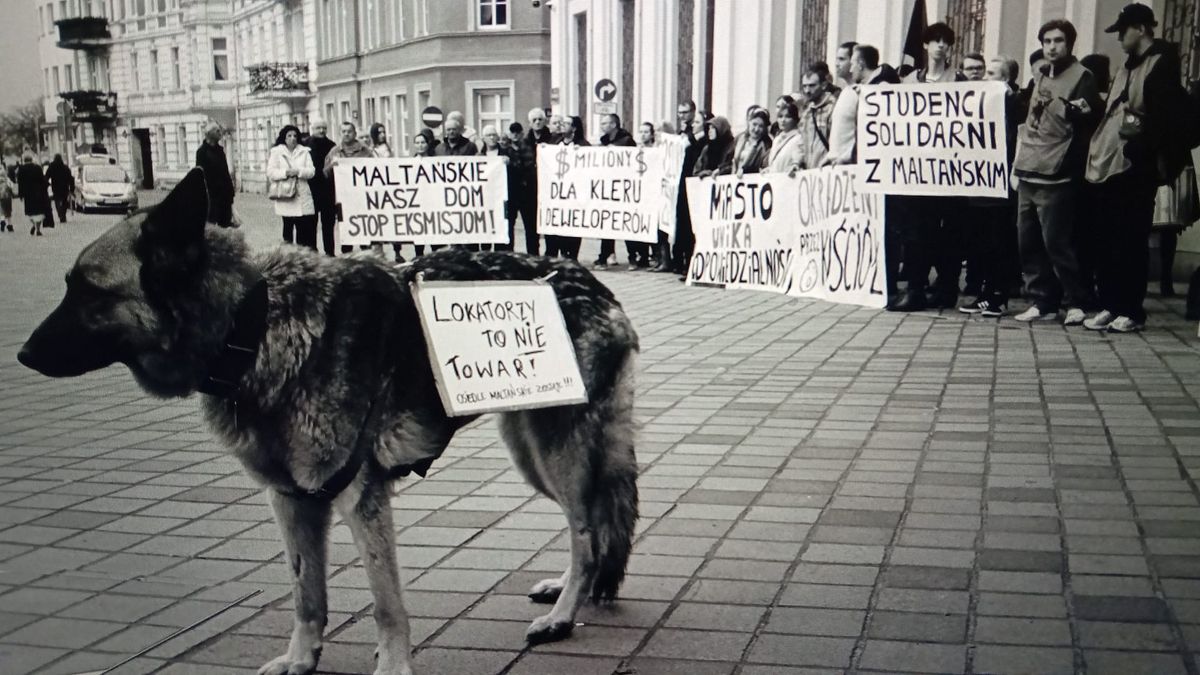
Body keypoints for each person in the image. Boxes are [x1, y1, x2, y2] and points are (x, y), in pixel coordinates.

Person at [1084, 3, 1189, 332]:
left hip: (1136, 166)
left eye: (1122, 31)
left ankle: (1130, 309)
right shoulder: (1128, 66)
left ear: (1140, 28)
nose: (1119, 38)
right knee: (1108, 239)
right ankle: (1110, 304)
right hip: (1110, 164)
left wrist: (1141, 151)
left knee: (1131, 240)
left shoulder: (1162, 63)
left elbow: (1163, 120)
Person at [1005, 19, 1103, 325]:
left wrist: (1073, 168)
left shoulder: (1082, 76)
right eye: (1046, 41)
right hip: (1029, 169)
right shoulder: (1040, 74)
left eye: (1058, 40)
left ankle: (1077, 300)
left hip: (1058, 173)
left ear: (1069, 44)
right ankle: (1042, 300)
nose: (1051, 47)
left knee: (1057, 243)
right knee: (1028, 241)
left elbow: (1088, 124)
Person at [959, 55, 1025, 317]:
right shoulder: (978, 104)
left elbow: (1017, 136)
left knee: (999, 240)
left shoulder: (1012, 104)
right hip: (979, 184)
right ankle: (985, 293)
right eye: (986, 74)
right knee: (981, 241)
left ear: (1006, 80)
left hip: (1000, 184)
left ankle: (998, 293)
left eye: (993, 74)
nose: (986, 79)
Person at [323, 121, 376, 253]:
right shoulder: (334, 151)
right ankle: (347, 255)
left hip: (361, 196)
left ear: (355, 133)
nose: (346, 134)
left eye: (349, 131)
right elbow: (325, 174)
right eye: (343, 131)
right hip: (343, 197)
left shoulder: (365, 151)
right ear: (340, 133)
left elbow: (376, 170)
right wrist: (332, 166)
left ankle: (367, 255)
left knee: (363, 226)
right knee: (346, 228)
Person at [595, 114, 638, 269]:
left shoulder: (626, 141)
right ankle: (604, 256)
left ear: (614, 124)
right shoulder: (604, 141)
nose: (602, 126)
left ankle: (633, 257)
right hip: (609, 188)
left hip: (623, 188)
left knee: (624, 224)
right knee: (608, 223)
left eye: (605, 123)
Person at [668, 101, 706, 275]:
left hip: (693, 181)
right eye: (679, 112)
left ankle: (687, 261)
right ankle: (677, 259)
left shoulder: (698, 138)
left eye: (685, 112)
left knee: (688, 222)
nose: (681, 116)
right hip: (681, 181)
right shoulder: (683, 133)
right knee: (680, 220)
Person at [267, 124, 318, 250]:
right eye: (289, 136)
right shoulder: (277, 153)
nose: (292, 138)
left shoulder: (304, 152)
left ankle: (301, 255)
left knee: (302, 229)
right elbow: (271, 172)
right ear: (284, 138)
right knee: (288, 228)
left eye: (295, 136)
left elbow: (311, 171)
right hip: (286, 194)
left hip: (301, 194)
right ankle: (288, 255)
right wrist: (285, 173)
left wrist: (298, 171)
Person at [515, 108, 558, 256]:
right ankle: (533, 256)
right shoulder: (523, 143)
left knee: (549, 227)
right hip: (529, 192)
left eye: (540, 119)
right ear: (530, 123)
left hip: (549, 191)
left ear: (545, 121)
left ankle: (550, 256)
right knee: (530, 228)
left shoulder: (554, 140)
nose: (537, 122)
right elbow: (518, 165)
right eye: (534, 120)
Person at [554, 116, 589, 261]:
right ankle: (563, 252)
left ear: (574, 128)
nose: (562, 126)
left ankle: (573, 254)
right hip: (559, 191)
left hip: (575, 192)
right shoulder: (556, 143)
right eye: (562, 123)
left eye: (567, 123)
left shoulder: (583, 145)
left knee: (574, 223)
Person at [478, 124, 517, 252]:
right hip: (485, 201)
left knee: (504, 233)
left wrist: (509, 163)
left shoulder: (507, 153)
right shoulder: (478, 156)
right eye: (488, 135)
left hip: (503, 200)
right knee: (486, 232)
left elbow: (517, 171)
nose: (491, 138)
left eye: (493, 134)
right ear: (483, 138)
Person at [304, 118, 338, 256]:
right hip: (311, 190)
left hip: (328, 190)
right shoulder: (305, 145)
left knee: (328, 224)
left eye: (324, 128)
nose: (322, 130)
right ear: (312, 129)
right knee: (311, 224)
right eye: (318, 128)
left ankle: (329, 251)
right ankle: (312, 251)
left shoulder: (332, 146)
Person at [195, 121, 236, 227]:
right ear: (209, 133)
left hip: (224, 194)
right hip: (211, 195)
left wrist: (231, 192)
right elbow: (199, 174)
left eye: (219, 130)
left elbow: (225, 172)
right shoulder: (202, 152)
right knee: (210, 223)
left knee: (225, 224)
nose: (220, 132)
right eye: (217, 130)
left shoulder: (220, 150)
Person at [798, 66, 838, 169]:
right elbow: (801, 143)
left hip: (828, 170)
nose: (807, 90)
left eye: (812, 86)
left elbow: (838, 142)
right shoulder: (806, 112)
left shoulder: (833, 109)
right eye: (804, 86)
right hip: (809, 174)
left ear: (824, 85)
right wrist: (797, 162)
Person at [17, 154, 50, 236]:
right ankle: (38, 229)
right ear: (31, 160)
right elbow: (43, 180)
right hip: (38, 193)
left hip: (28, 195)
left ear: (24, 161)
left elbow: (20, 183)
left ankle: (33, 225)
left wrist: (21, 195)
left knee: (30, 212)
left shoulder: (21, 170)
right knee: (40, 212)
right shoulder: (37, 168)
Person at [768, 102, 802, 174]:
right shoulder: (777, 139)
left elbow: (797, 161)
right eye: (780, 116)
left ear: (795, 119)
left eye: (788, 116)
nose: (783, 120)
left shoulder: (799, 138)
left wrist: (795, 165)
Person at [46, 154, 73, 223]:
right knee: (64, 201)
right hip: (64, 187)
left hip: (55, 187)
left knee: (57, 201)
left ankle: (60, 213)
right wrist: (72, 188)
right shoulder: (65, 167)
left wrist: (47, 184)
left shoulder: (52, 167)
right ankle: (63, 214)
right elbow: (70, 178)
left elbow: (47, 176)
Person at [0, 162, 14, 232]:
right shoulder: (7, 179)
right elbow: (12, 186)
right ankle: (9, 225)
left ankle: (2, 220)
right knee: (8, 210)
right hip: (7, 196)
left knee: (1, 210)